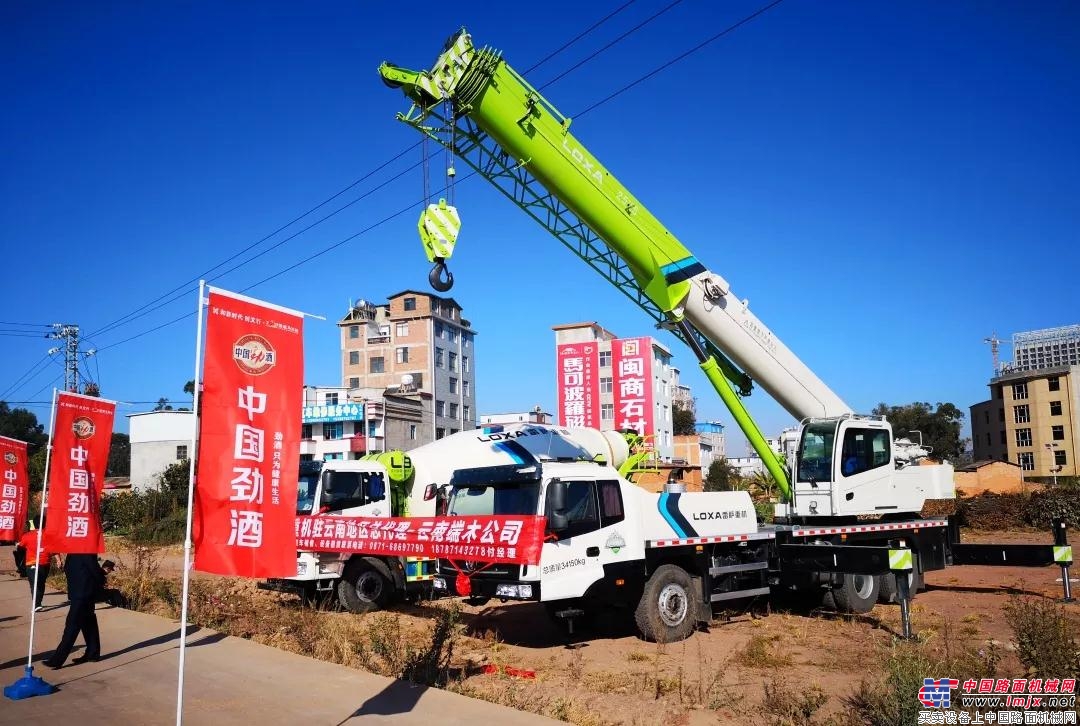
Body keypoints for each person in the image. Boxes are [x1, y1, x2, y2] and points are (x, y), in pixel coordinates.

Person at [43, 552, 103, 668]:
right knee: (88, 621)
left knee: (72, 624)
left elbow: (94, 569)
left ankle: (57, 659)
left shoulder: (85, 550)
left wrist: (100, 580)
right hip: (79, 592)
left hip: (83, 593)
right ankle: (93, 653)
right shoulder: (73, 552)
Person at [17, 523, 51, 611]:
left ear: (34, 524)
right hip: (45, 563)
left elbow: (20, 548)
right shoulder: (49, 535)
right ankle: (38, 603)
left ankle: (36, 604)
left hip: (31, 563)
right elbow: (53, 548)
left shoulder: (27, 535)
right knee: (41, 582)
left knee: (34, 584)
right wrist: (58, 559)